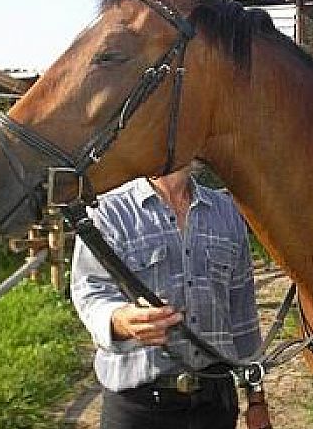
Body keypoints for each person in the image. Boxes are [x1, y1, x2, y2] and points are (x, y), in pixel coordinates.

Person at [70, 162, 262, 429]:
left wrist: (257, 399)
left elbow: (244, 317)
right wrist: (120, 321)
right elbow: (90, 291)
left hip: (215, 404)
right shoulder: (108, 212)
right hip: (138, 407)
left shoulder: (227, 212)